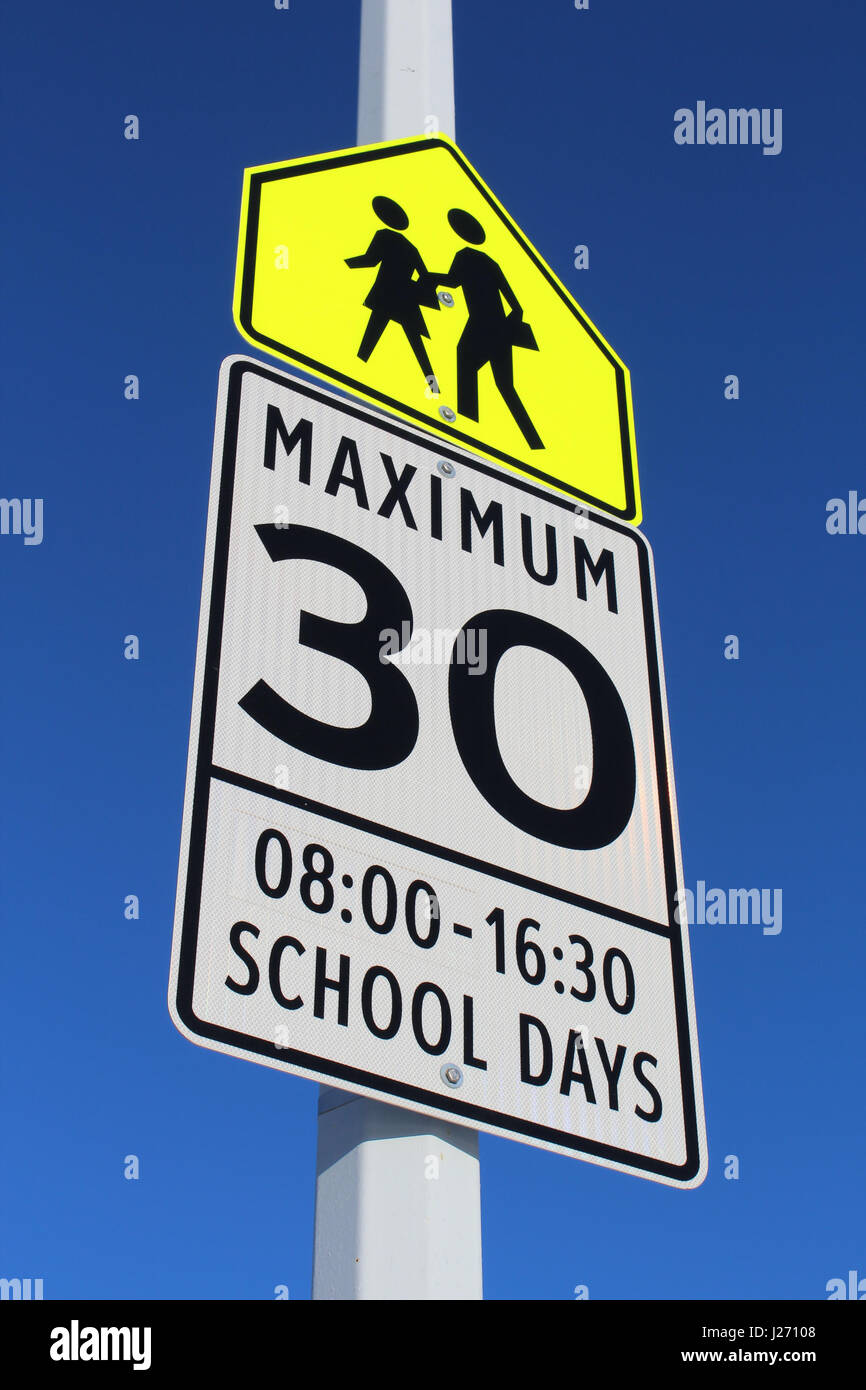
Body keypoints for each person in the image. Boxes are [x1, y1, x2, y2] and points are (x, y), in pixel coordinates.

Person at [430, 208, 543, 449]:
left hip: (480, 323)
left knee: (466, 363)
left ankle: (467, 427)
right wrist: (509, 326)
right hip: (500, 327)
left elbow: (452, 282)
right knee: (505, 386)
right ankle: (535, 443)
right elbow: (516, 305)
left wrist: (429, 277)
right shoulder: (491, 262)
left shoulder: (464, 256)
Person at [345, 196, 440, 391]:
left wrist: (344, 263)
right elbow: (426, 276)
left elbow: (370, 260)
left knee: (370, 337)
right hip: (406, 298)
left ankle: (355, 373)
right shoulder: (412, 247)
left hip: (386, 294)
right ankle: (434, 387)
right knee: (417, 345)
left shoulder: (384, 236)